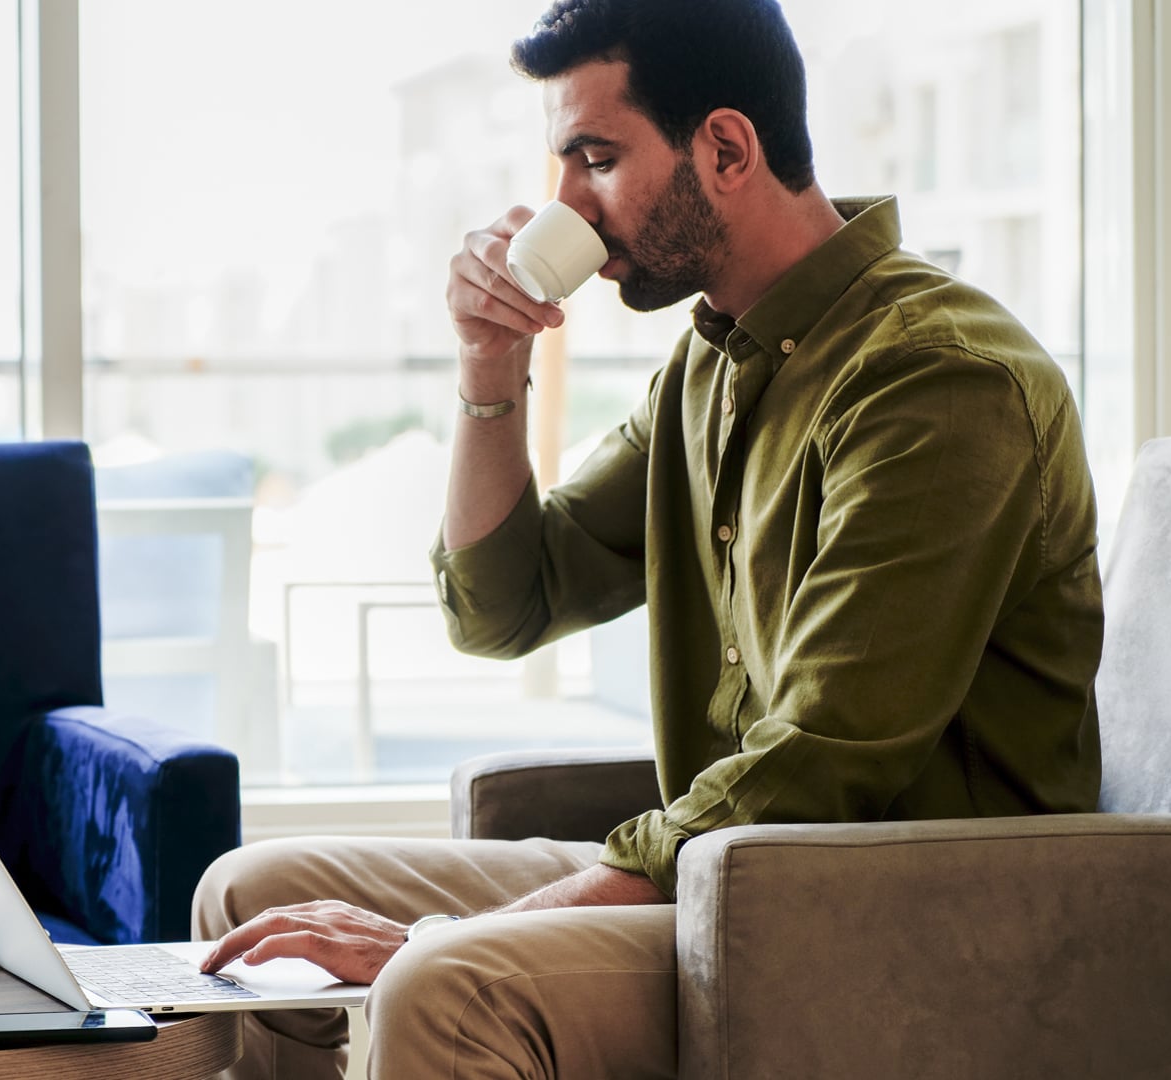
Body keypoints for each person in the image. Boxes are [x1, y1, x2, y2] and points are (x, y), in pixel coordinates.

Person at [191, 0, 1104, 1076]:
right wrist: (492, 367)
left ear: (724, 148)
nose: (563, 204)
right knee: (250, 890)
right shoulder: (708, 368)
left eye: (595, 158)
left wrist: (441, 939)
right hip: (721, 880)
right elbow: (503, 606)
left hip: (896, 913)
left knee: (444, 983)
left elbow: (814, 766)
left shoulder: (939, 380)